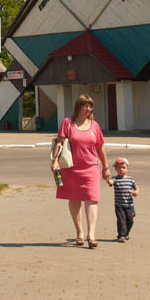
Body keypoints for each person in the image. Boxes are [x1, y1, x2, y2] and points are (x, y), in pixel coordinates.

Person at [50, 94, 110, 249]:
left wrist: (106, 168)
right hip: (71, 168)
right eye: (85, 105)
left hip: (90, 168)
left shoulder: (94, 125)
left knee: (92, 199)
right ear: (78, 107)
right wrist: (55, 161)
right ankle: (80, 233)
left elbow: (100, 147)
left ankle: (91, 235)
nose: (88, 109)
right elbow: (60, 142)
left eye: (90, 106)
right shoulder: (67, 123)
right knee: (74, 199)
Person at [111, 157, 139, 242]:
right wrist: (107, 178)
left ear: (127, 169)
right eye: (119, 168)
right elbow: (110, 182)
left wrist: (135, 192)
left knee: (130, 220)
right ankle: (121, 236)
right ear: (115, 169)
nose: (121, 169)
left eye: (123, 168)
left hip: (129, 205)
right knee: (121, 220)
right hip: (119, 205)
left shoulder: (130, 179)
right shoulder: (115, 179)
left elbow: (137, 188)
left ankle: (126, 234)